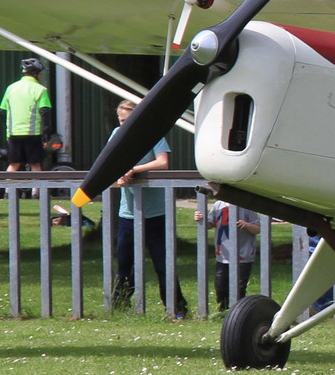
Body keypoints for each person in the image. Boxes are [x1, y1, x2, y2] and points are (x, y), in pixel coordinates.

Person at [107, 97, 188, 317]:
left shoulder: (153, 132)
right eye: (120, 120)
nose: (122, 125)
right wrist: (119, 174)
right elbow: (108, 162)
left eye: (126, 120)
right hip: (128, 213)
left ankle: (177, 309)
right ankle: (119, 308)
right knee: (125, 265)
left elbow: (163, 162)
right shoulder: (116, 135)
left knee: (163, 265)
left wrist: (134, 169)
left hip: (156, 213)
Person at [195, 198, 260, 309]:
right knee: (220, 285)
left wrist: (247, 225)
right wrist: (200, 219)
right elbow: (210, 224)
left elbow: (258, 228)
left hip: (243, 255)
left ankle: (237, 309)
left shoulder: (246, 206)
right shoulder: (218, 205)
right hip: (223, 255)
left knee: (239, 286)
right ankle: (223, 307)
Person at [0, 57, 54, 172]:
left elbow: (2, 111)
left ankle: (8, 189)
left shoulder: (10, 88)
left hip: (13, 134)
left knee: (13, 164)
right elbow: (45, 113)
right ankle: (36, 190)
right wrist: (46, 136)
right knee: (35, 165)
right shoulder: (41, 90)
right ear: (36, 74)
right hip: (33, 134)